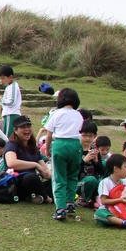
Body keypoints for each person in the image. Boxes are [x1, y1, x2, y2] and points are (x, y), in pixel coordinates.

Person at [40, 87, 84, 221]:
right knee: (72, 175)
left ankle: (60, 209)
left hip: (60, 145)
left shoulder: (57, 113)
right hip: (76, 146)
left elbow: (49, 135)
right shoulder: (78, 115)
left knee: (59, 177)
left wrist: (47, 149)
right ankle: (70, 203)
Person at [3, 117, 52, 203]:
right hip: (17, 182)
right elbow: (11, 163)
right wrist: (35, 165)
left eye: (28, 126)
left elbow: (45, 171)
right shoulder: (12, 145)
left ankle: (35, 197)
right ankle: (47, 198)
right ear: (15, 130)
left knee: (55, 182)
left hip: (33, 182)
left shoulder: (32, 147)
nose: (27, 130)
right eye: (23, 127)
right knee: (31, 177)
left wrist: (55, 178)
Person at [0, 65, 21, 134]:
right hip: (8, 114)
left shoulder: (13, 87)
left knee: (8, 137)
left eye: (3, 78)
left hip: (11, 114)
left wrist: (1, 100)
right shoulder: (9, 86)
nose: (1, 81)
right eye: (0, 78)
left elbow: (11, 102)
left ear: (11, 77)